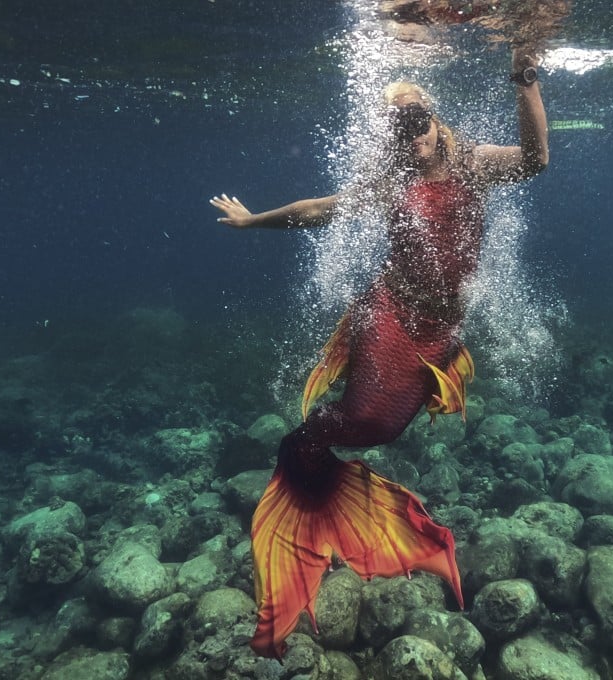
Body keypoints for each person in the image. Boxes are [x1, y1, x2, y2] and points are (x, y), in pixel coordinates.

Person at [210, 46, 548, 659]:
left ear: (435, 117)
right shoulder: (393, 178)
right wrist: (253, 220)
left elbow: (535, 160)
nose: (409, 138)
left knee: (391, 426)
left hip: (443, 328)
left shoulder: (472, 161)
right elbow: (318, 210)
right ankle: (305, 446)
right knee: (372, 424)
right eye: (395, 128)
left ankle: (321, 459)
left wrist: (524, 80)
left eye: (416, 121)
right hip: (390, 313)